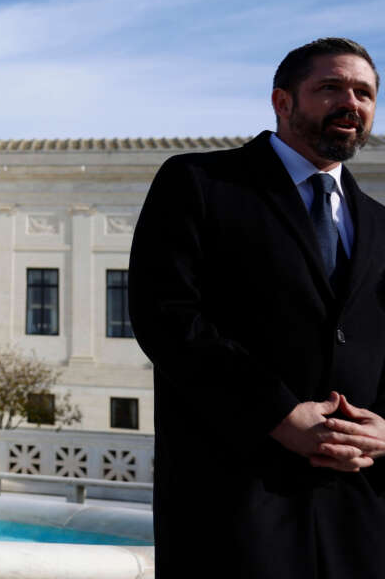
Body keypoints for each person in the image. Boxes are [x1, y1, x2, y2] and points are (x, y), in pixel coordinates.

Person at [129, 37, 385, 578]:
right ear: (283, 101)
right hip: (236, 497)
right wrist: (277, 414)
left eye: (364, 92)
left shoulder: (382, 225)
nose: (350, 103)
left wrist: (384, 430)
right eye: (330, 87)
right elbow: (167, 314)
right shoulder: (200, 182)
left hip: (359, 503)